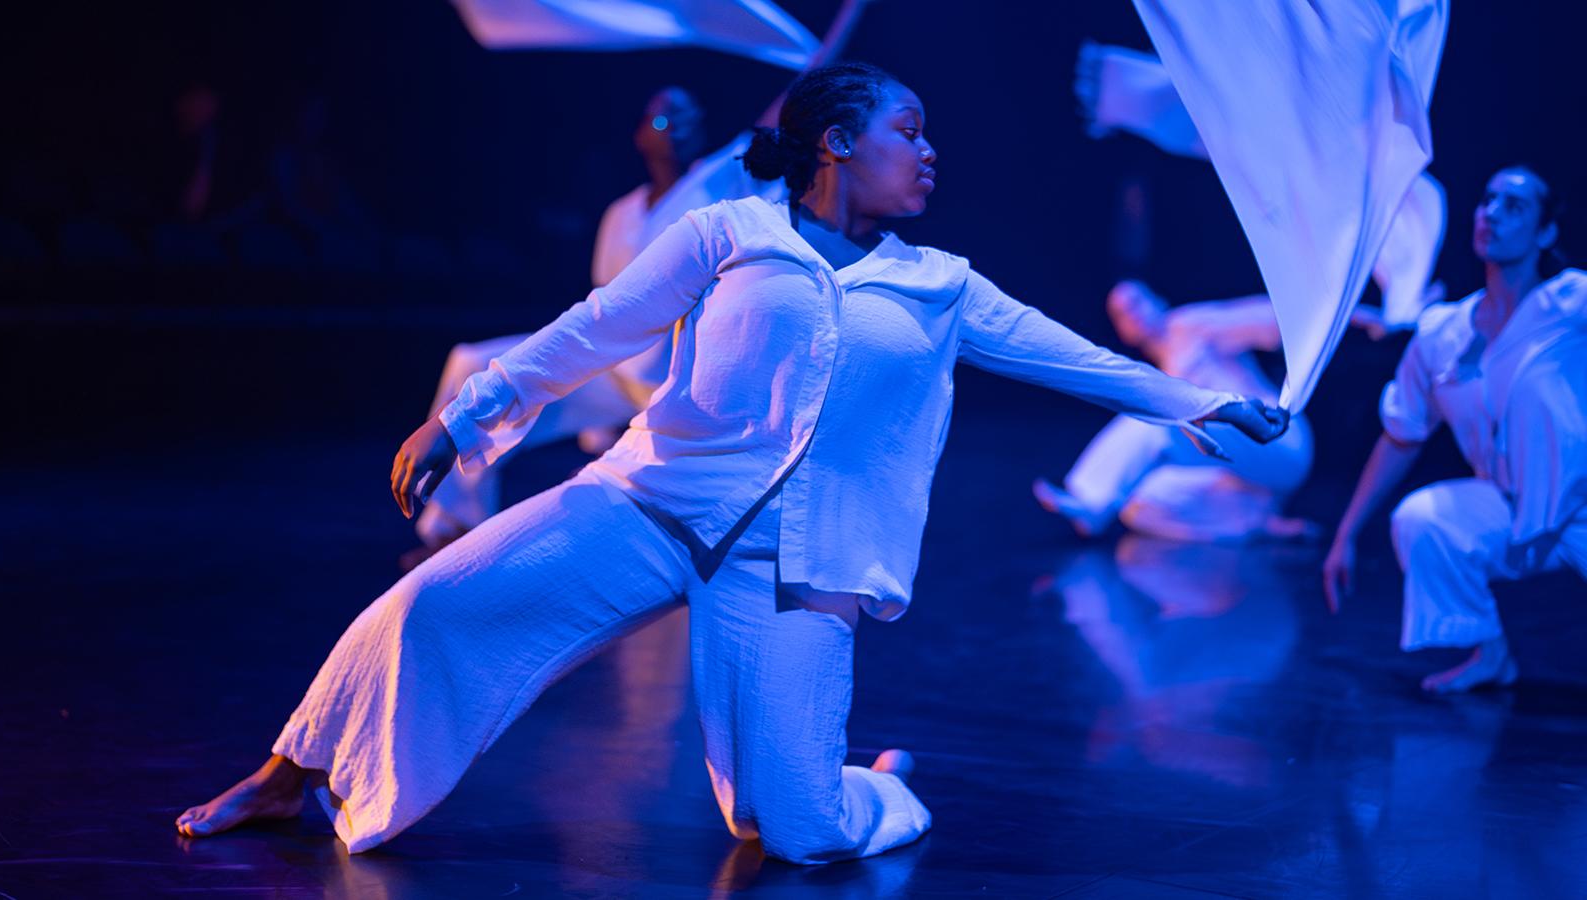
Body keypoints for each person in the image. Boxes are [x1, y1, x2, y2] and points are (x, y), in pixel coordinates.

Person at [175, 62, 1287, 864]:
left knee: (795, 833)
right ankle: (294, 774)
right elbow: (594, 329)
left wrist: (1209, 402)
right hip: (649, 502)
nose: (931, 149)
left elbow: (1078, 359)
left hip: (794, 566)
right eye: (912, 129)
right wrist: (463, 418)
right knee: (434, 604)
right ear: (839, 141)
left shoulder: (941, 283)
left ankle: (877, 794)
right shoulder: (729, 236)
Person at [409, 0, 871, 566]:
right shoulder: (622, 213)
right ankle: (450, 526)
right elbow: (603, 304)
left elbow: (791, 106)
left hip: (675, 386)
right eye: (661, 119)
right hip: (615, 375)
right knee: (471, 365)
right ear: (640, 137)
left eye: (686, 117)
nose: (674, 127)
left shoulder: (719, 178)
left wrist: (846, 23)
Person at [1323, 166, 1587, 694]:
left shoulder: (1573, 303)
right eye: (1487, 200)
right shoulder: (1443, 332)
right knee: (1425, 521)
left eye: (1514, 206)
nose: (1491, 213)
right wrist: (1346, 533)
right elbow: (1403, 433)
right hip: (1510, 504)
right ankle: (1490, 654)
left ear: (1545, 232)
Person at [1033, 282, 1333, 542]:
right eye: (1121, 314)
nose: (1132, 314)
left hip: (1280, 440)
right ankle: (1255, 519)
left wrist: (1345, 311)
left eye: (1136, 302)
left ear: (1158, 301)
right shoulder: (1161, 369)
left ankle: (1090, 500)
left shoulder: (1189, 326)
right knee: (1138, 502)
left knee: (1158, 415)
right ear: (1122, 331)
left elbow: (1268, 319)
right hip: (1248, 469)